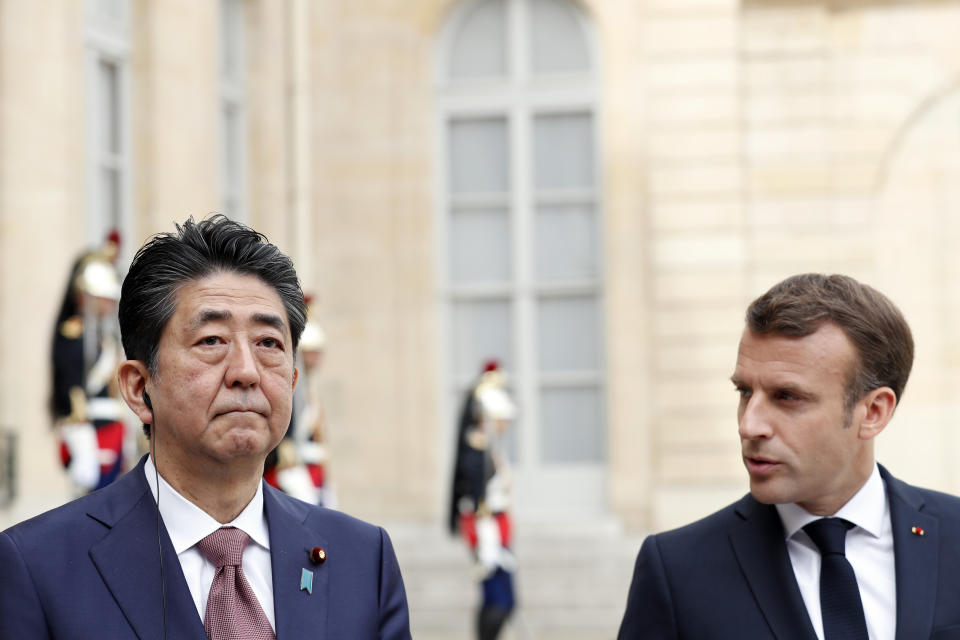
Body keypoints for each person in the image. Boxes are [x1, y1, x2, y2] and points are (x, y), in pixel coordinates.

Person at [1, 216, 411, 639]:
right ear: (139, 387)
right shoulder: (37, 568)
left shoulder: (363, 562)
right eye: (212, 340)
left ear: (291, 381)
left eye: (268, 343)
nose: (246, 372)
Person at [618, 273, 960, 640]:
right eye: (745, 392)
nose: (749, 425)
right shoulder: (677, 570)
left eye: (787, 397)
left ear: (873, 412)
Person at [50, 231, 128, 492]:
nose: (108, 304)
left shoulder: (105, 338)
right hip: (89, 427)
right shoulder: (74, 333)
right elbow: (72, 384)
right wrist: (79, 424)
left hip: (112, 425)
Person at [449, 359, 518, 640]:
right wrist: (484, 544)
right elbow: (474, 499)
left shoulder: (488, 447)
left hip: (498, 529)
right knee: (498, 600)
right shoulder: (476, 449)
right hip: (487, 531)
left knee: (505, 600)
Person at [264, 295, 335, 506]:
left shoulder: (311, 385)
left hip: (311, 463)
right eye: (312, 352)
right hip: (290, 464)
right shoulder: (294, 382)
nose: (316, 358)